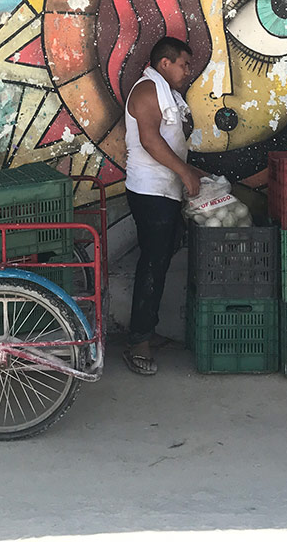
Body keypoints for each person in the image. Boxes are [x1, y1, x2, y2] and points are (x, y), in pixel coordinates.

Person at [122, 36, 206, 376]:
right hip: (149, 191)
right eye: (184, 65)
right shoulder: (146, 91)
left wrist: (192, 172)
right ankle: (138, 343)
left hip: (164, 190)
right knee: (153, 263)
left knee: (161, 258)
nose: (188, 71)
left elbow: (169, 143)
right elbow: (150, 140)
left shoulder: (165, 93)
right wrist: (185, 172)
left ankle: (147, 329)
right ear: (165, 63)